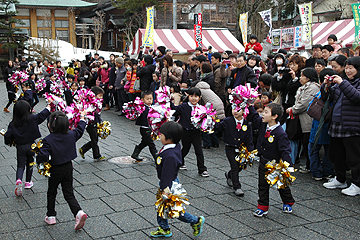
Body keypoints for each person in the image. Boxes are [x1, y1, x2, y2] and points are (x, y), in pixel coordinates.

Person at [150, 121, 205, 238]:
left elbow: (167, 174)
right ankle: (164, 228)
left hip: (169, 184)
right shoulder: (173, 146)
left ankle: (195, 221)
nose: (159, 136)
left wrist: (165, 188)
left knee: (175, 210)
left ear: (169, 138)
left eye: (162, 134)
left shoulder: (170, 156)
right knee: (161, 206)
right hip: (168, 182)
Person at [36, 111, 88, 230]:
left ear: (50, 125)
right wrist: (82, 118)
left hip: (55, 169)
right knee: (68, 193)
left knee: (52, 192)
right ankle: (78, 212)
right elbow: (80, 130)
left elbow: (43, 156)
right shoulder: (71, 134)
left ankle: (51, 216)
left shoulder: (47, 140)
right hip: (68, 167)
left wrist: (40, 157)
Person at [247, 103, 295, 217]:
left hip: (276, 164)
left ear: (274, 116)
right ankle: (262, 206)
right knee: (262, 185)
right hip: (264, 161)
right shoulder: (263, 125)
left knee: (281, 184)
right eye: (263, 111)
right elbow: (254, 117)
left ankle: (288, 202)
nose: (263, 114)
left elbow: (285, 151)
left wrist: (288, 166)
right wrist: (249, 105)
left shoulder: (280, 133)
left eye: (266, 112)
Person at [322, 56, 360, 196]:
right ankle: (340, 179)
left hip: (352, 124)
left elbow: (356, 97)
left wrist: (342, 82)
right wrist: (326, 85)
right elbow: (328, 97)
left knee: (354, 157)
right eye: (347, 68)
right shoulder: (343, 82)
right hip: (337, 123)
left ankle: (357, 184)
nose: (348, 71)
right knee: (337, 154)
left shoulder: (352, 82)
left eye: (351, 68)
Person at [4, 100, 52, 196]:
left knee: (20, 165)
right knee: (30, 163)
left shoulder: (13, 124)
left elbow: (8, 136)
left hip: (20, 147)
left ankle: (18, 180)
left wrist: (10, 140)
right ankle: (28, 182)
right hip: (31, 145)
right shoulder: (32, 118)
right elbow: (42, 115)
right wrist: (49, 106)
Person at [286, 68, 320, 170]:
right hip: (302, 118)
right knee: (304, 143)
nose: (300, 78)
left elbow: (304, 103)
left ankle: (312, 167)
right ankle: (309, 166)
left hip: (308, 119)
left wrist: (293, 109)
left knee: (308, 143)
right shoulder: (304, 87)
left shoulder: (313, 88)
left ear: (308, 77)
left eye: (302, 75)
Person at [215, 107, 253, 196]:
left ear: (244, 111)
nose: (235, 111)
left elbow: (249, 138)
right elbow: (218, 126)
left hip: (242, 149)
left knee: (240, 166)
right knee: (235, 166)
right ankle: (237, 187)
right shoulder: (227, 121)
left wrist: (251, 151)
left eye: (238, 109)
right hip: (230, 148)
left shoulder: (247, 123)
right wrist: (212, 118)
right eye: (233, 109)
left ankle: (229, 174)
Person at [171, 87, 209, 177]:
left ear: (199, 98)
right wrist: (168, 101)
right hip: (185, 131)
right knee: (185, 149)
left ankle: (202, 169)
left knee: (199, 150)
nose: (194, 98)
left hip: (196, 132)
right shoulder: (184, 106)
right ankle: (180, 161)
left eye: (196, 96)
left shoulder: (202, 108)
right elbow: (175, 110)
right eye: (191, 96)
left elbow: (206, 120)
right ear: (188, 96)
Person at [308, 68, 335, 181]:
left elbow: (311, 105)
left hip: (319, 125)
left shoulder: (321, 92)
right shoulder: (337, 92)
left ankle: (316, 171)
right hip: (330, 124)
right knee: (328, 150)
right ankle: (328, 171)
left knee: (313, 149)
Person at [79, 87, 106, 161]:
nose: (101, 98)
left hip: (96, 123)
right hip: (90, 124)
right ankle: (97, 156)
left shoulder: (98, 103)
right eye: (99, 96)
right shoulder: (90, 104)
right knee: (94, 140)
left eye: (102, 96)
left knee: (95, 139)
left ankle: (83, 149)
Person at [131, 91, 157, 162]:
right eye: (147, 99)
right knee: (151, 144)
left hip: (149, 128)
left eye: (151, 99)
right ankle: (156, 157)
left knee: (144, 142)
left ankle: (135, 153)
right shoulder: (142, 108)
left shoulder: (151, 107)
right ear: (142, 100)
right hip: (144, 129)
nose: (149, 100)